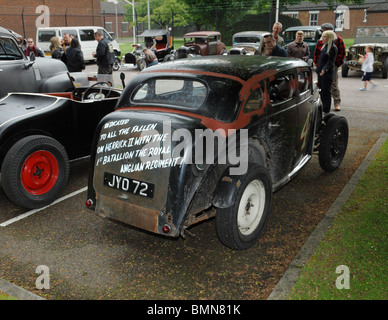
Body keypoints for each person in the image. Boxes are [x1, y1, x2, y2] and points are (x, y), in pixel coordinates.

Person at [314, 23, 346, 111]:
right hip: (321, 68)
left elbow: (342, 53)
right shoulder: (321, 41)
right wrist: (318, 65)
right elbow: (317, 53)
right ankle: (321, 103)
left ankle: (336, 102)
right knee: (321, 87)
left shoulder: (338, 40)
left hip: (331, 67)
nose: (323, 33)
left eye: (324, 30)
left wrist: (336, 64)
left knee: (333, 85)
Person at [316, 30, 338, 114]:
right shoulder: (324, 46)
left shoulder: (332, 48)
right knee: (321, 91)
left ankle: (326, 110)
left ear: (329, 38)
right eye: (322, 36)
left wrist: (324, 69)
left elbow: (330, 61)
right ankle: (323, 107)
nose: (322, 38)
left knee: (326, 91)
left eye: (324, 37)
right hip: (321, 73)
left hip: (326, 73)